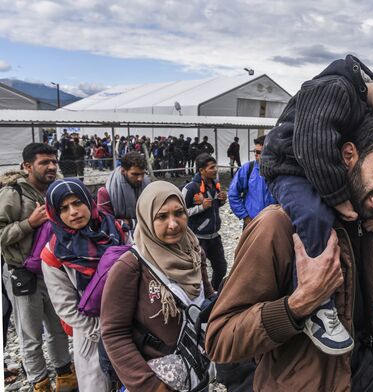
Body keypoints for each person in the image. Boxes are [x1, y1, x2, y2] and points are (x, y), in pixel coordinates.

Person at [206, 113, 373, 391]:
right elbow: (220, 340)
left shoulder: (367, 223)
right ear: (348, 155)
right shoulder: (278, 226)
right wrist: (299, 304)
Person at [260, 54, 373, 354]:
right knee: (314, 216)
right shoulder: (338, 87)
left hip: (319, 166)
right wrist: (337, 197)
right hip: (289, 164)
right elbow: (312, 143)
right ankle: (318, 306)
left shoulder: (368, 109)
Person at [101, 181, 215, 392]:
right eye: (161, 217)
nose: (173, 224)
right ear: (146, 218)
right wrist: (150, 385)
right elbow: (114, 333)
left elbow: (207, 298)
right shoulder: (131, 266)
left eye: (179, 213)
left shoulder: (194, 251)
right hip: (158, 378)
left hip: (196, 369)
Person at [0, 143, 76, 392]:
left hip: (54, 271)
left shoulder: (56, 191)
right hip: (22, 274)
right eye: (44, 162)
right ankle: (39, 383)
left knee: (58, 328)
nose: (52, 166)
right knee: (30, 335)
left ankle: (65, 377)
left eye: (54, 161)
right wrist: (29, 224)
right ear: (27, 166)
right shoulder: (13, 194)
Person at [40, 178, 127, 392]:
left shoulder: (113, 229)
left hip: (128, 319)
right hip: (91, 331)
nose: (74, 212)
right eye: (64, 208)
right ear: (55, 213)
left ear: (89, 202)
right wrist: (103, 330)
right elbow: (65, 307)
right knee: (98, 383)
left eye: (78, 203)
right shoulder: (54, 254)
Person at [182, 153, 228, 290]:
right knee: (198, 272)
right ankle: (200, 299)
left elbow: (214, 207)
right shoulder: (190, 188)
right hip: (198, 239)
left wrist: (221, 201)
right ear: (201, 170)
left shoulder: (215, 185)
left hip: (214, 237)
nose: (215, 170)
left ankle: (213, 294)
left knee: (221, 268)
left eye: (216, 167)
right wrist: (200, 208)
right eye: (212, 168)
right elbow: (181, 213)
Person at [228, 135, 276, 229]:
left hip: (274, 226)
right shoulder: (247, 169)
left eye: (259, 152)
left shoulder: (280, 171)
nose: (255, 154)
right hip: (252, 223)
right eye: (255, 151)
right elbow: (233, 194)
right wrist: (245, 217)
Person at [97, 151, 150, 230]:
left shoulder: (148, 187)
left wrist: (128, 222)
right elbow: (106, 223)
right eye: (135, 174)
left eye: (142, 174)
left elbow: (155, 217)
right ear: (123, 171)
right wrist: (136, 223)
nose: (140, 178)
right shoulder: (105, 192)